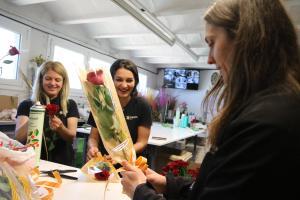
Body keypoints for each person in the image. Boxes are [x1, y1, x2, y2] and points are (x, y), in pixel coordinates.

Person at [120, 0, 300, 199]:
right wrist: (170, 185)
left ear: (245, 39)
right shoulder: (274, 108)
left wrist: (140, 191)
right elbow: (219, 186)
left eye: (212, 43)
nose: (209, 59)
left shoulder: (265, 124)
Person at [86, 59, 152, 161]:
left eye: (129, 80)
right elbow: (93, 137)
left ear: (136, 82)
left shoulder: (142, 106)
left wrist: (120, 156)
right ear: (111, 80)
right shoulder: (100, 103)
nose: (124, 85)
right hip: (104, 161)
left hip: (130, 164)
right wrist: (92, 147)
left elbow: (142, 142)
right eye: (119, 80)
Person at [15, 61, 79, 166]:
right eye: (48, 78)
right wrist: (35, 116)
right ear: (41, 80)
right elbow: (19, 138)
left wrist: (61, 128)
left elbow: (71, 137)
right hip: (33, 162)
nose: (53, 83)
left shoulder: (70, 105)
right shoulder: (27, 105)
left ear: (63, 82)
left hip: (63, 163)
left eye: (57, 80)